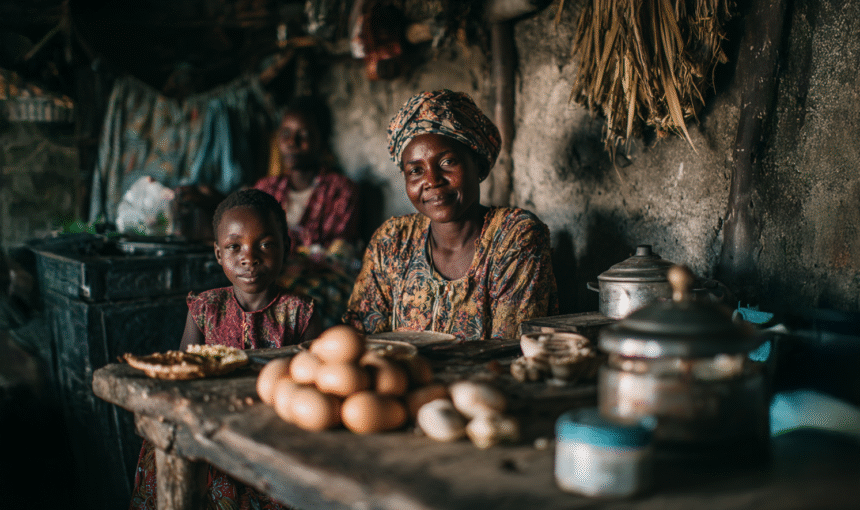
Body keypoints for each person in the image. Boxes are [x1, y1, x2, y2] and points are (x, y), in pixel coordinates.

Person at [129, 189, 320, 510]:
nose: (249, 257)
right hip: (209, 429)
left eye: (266, 244)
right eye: (234, 247)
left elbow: (315, 379)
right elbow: (184, 373)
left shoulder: (300, 312)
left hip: (270, 434)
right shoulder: (204, 308)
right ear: (218, 254)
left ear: (286, 247)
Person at [343, 89, 558, 341]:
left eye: (447, 162)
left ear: (477, 164)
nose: (432, 181)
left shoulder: (514, 237)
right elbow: (359, 337)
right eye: (415, 170)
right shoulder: (392, 241)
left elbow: (509, 346)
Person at [253, 97, 362, 329]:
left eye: (304, 135)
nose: (292, 142)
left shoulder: (341, 189)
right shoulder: (265, 189)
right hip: (272, 272)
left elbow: (333, 252)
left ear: (322, 141)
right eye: (286, 134)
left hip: (320, 277)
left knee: (295, 303)